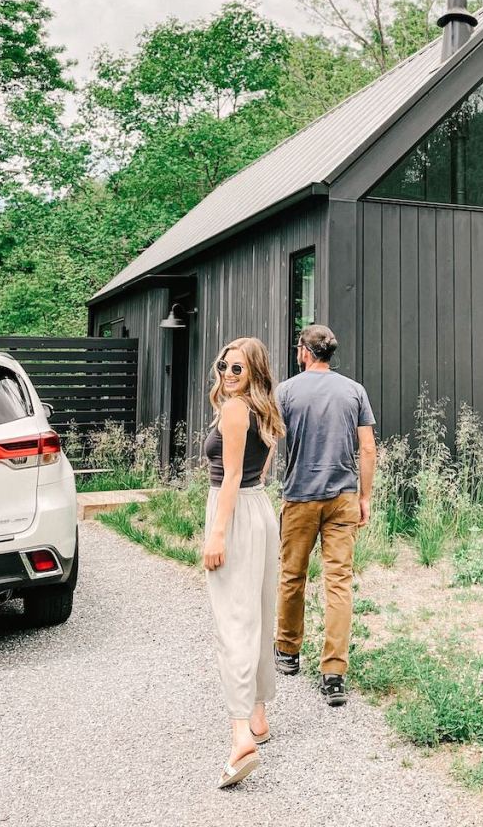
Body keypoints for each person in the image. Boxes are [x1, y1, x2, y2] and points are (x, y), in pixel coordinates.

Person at [275, 324, 376, 707]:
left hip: (300, 496)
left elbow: (271, 440)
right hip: (343, 497)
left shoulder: (286, 391)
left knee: (292, 575)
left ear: (304, 351)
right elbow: (367, 449)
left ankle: (287, 652)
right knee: (339, 583)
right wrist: (364, 496)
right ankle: (333, 674)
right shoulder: (354, 391)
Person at [202, 337, 284, 789]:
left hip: (233, 511)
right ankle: (258, 717)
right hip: (259, 510)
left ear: (254, 372)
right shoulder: (265, 410)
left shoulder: (235, 410)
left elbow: (231, 474)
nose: (229, 375)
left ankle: (240, 737)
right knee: (257, 613)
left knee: (233, 622)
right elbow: (260, 468)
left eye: (238, 369)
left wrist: (216, 532)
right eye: (225, 366)